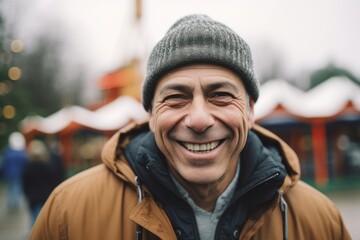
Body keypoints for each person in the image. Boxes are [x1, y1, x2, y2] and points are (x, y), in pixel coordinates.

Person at [29, 14, 351, 240]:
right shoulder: (68, 215)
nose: (198, 119)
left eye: (221, 96)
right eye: (177, 98)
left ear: (250, 110)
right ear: (151, 114)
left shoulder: (318, 220)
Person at [22, 139, 57, 226]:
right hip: (44, 196)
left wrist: (27, 194)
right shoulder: (46, 166)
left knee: (34, 220)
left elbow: (25, 183)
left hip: (33, 197)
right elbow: (52, 181)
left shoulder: (28, 167)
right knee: (43, 221)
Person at [2, 132, 28, 212]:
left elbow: (4, 164)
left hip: (9, 174)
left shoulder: (7, 151)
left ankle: (11, 204)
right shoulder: (22, 152)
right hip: (19, 173)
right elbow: (25, 163)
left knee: (10, 189)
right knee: (17, 188)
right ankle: (15, 204)